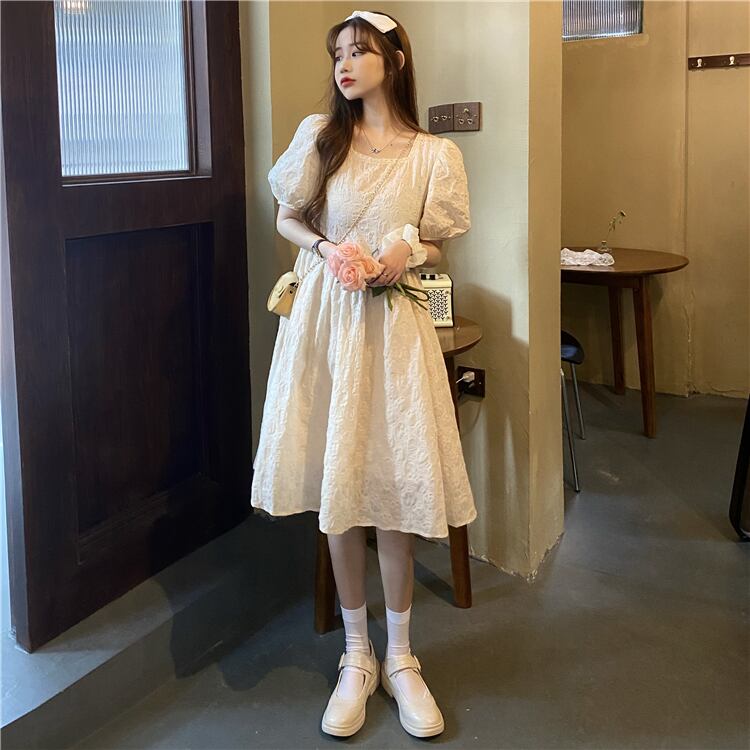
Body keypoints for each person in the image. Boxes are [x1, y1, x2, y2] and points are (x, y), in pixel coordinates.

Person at [250, 9, 477, 739]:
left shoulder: (433, 154)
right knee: (341, 482)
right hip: (328, 323)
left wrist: (406, 250)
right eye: (338, 53)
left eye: (360, 51)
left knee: (395, 478)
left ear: (395, 60)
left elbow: (439, 245)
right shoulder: (322, 136)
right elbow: (287, 217)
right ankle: (358, 656)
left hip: (394, 327)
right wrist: (325, 250)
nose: (344, 65)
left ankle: (403, 657)